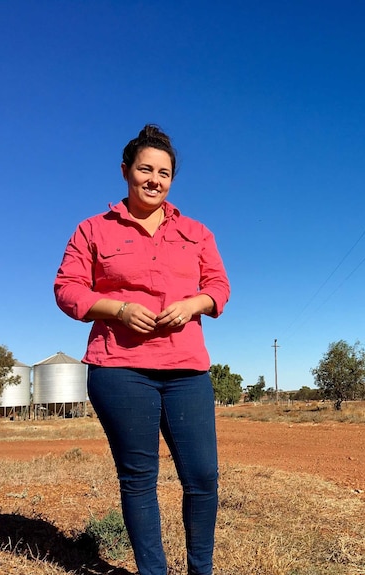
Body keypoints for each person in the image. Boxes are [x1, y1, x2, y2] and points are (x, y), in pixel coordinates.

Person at [54, 124, 230, 575]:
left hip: (186, 367)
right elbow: (68, 290)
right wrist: (116, 308)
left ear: (172, 179)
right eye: (145, 169)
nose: (154, 179)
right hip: (120, 368)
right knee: (139, 480)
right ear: (126, 171)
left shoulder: (196, 232)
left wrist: (195, 303)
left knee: (203, 478)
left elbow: (219, 288)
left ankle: (201, 570)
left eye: (164, 173)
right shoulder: (93, 229)